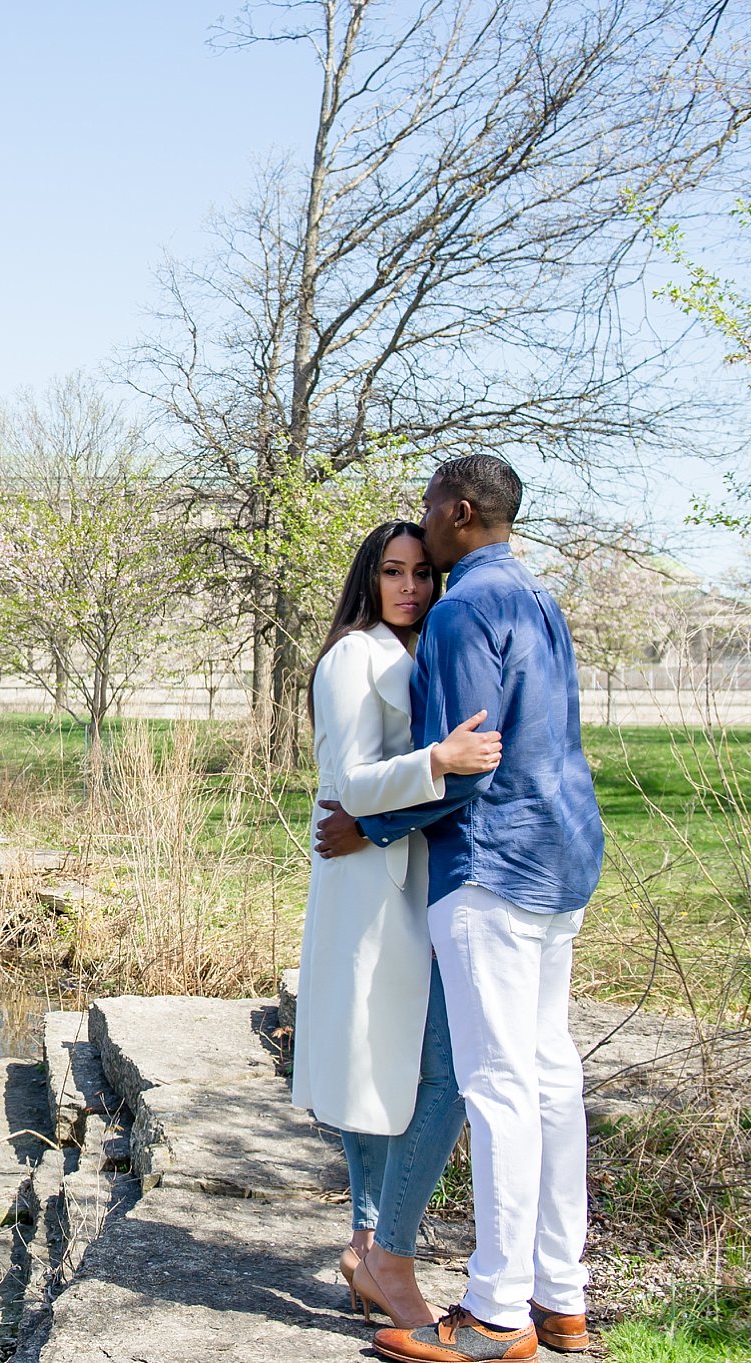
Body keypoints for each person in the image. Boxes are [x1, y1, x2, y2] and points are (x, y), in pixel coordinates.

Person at [316, 454, 602, 1362]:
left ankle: (493, 1314)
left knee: (499, 1085)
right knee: (553, 1078)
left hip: (493, 868)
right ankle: (563, 1300)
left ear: (459, 510)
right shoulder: (538, 600)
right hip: (562, 859)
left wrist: (373, 820)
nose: (424, 539)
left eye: (432, 516)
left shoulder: (464, 609)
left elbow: (468, 754)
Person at [293, 520, 499, 1331]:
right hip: (371, 890)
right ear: (369, 579)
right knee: (391, 1064)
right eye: (393, 572)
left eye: (420, 572)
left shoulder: (418, 653)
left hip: (407, 874)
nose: (410, 586)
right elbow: (349, 779)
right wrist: (439, 762)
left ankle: (367, 1244)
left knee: (393, 1065)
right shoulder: (354, 655)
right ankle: (376, 1246)